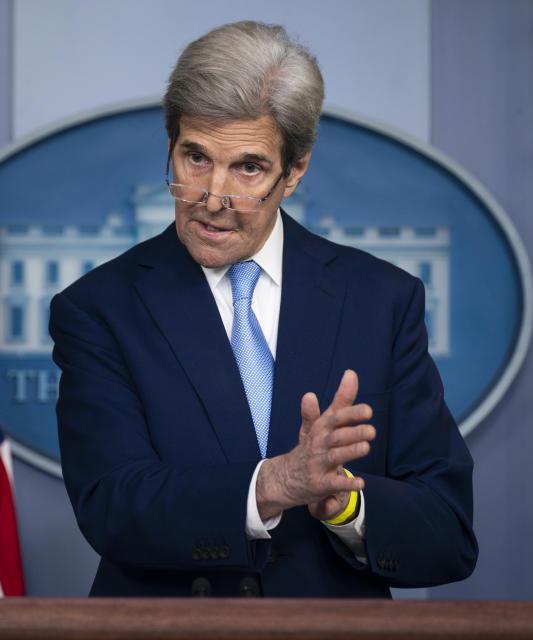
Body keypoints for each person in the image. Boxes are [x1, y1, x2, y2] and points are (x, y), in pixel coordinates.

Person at [50, 21, 477, 597]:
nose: (212, 197)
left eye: (247, 168)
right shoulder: (99, 307)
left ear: (294, 171)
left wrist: (345, 504)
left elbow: (447, 532)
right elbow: (113, 506)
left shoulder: (381, 300)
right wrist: (275, 483)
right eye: (195, 158)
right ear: (170, 149)